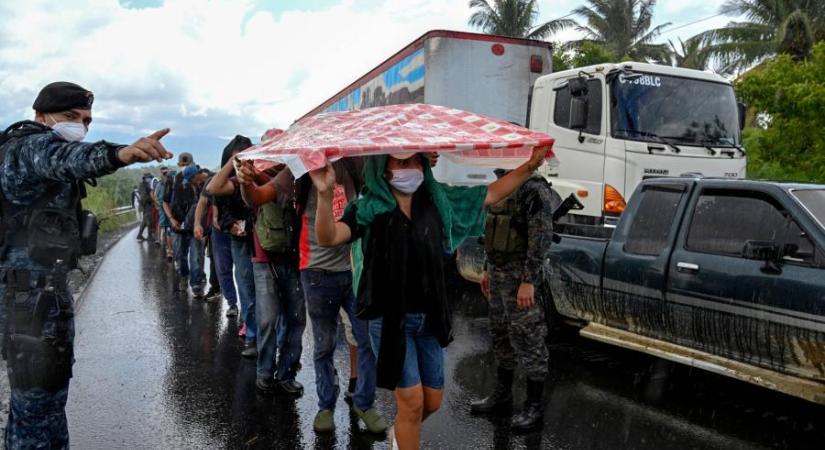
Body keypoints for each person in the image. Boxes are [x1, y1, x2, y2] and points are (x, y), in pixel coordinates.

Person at [309, 146, 548, 449]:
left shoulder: (438, 200)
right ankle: (406, 434)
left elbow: (489, 194)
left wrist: (529, 166)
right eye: (400, 162)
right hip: (390, 320)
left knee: (431, 402)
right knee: (411, 401)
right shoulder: (369, 208)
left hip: (430, 318)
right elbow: (328, 236)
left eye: (414, 161)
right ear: (384, 168)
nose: (409, 168)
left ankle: (402, 433)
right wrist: (324, 194)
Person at [0, 81, 172, 449]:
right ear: (41, 116)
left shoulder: (39, 150)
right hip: (27, 303)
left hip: (40, 297)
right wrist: (121, 153)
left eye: (87, 120)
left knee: (39, 406)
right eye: (69, 117)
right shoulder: (27, 148)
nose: (80, 126)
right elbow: (65, 158)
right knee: (37, 412)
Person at [469, 170, 555, 432]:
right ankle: (503, 396)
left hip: (519, 277)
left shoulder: (533, 187)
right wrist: (486, 267)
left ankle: (534, 406)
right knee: (501, 334)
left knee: (529, 338)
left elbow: (541, 235)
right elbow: (492, 230)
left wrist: (529, 280)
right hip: (497, 274)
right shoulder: (501, 183)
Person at [235, 161, 306, 396]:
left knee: (295, 320)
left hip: (295, 259)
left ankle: (286, 373)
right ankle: (265, 371)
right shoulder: (257, 182)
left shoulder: (299, 178)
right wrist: (247, 179)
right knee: (268, 319)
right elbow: (252, 197)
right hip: (264, 261)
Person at [206, 136, 258, 357]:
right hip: (241, 239)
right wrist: (231, 227)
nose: (243, 162)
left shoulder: (260, 177)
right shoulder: (231, 183)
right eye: (238, 157)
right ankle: (252, 333)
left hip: (264, 239)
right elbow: (214, 192)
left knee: (265, 290)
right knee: (246, 286)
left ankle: (267, 336)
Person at [164, 157, 208, 298]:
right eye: (182, 165)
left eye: (187, 164)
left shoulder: (202, 181)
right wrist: (171, 219)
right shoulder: (173, 181)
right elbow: (164, 202)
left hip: (195, 227)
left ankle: (196, 285)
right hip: (178, 226)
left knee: (196, 257)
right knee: (180, 256)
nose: (184, 167)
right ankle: (184, 276)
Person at [154, 166, 175, 260]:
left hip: (174, 209)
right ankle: (169, 250)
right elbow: (155, 196)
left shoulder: (174, 184)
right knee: (167, 230)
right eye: (164, 173)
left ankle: (171, 249)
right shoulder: (160, 184)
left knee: (172, 230)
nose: (166, 175)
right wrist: (159, 206)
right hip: (163, 209)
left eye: (167, 173)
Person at [136, 172, 156, 241]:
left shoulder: (146, 185)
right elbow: (144, 196)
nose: (149, 179)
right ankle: (149, 235)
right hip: (146, 204)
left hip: (147, 204)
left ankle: (139, 235)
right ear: (145, 178)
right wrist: (152, 199)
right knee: (149, 220)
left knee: (145, 221)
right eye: (148, 178)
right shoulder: (142, 185)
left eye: (150, 178)